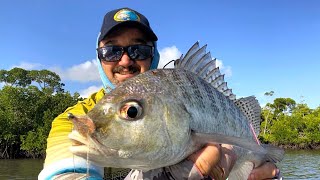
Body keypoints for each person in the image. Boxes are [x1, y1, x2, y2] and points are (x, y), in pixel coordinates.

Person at [39, 7, 281, 180]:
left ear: (153, 55)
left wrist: (264, 165)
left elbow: (257, 150)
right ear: (99, 59)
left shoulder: (174, 91)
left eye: (139, 49)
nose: (125, 60)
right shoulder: (75, 120)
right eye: (112, 51)